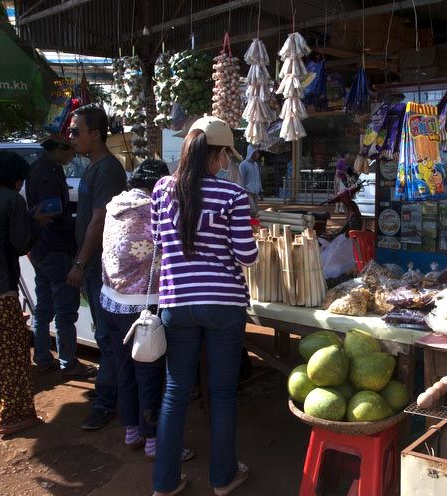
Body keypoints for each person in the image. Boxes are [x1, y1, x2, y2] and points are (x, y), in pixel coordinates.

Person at [151, 116, 257, 496]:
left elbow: (160, 245)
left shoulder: (162, 190)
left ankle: (164, 483)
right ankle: (222, 478)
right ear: (221, 155)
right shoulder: (231, 195)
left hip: (176, 301)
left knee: (175, 390)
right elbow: (246, 256)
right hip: (223, 303)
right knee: (223, 392)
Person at [100, 159, 171, 457]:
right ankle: (153, 440)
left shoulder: (114, 207)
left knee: (124, 369)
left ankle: (132, 431)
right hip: (141, 306)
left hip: (110, 301)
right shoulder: (152, 209)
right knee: (149, 373)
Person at [66, 104, 127, 431]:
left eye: (76, 131)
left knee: (107, 334)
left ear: (96, 134)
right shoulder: (92, 166)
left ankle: (108, 400)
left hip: (101, 266)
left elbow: (100, 219)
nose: (71, 137)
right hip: (93, 266)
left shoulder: (108, 170)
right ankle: (111, 392)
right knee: (105, 335)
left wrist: (80, 261)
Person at [25, 133, 94, 378]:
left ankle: (42, 357)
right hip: (55, 249)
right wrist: (76, 222)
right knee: (65, 310)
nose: (72, 155)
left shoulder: (44, 169)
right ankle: (68, 362)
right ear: (59, 149)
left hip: (42, 249)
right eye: (70, 150)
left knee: (43, 308)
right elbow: (52, 213)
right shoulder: (47, 174)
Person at [0, 151, 52, 435]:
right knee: (13, 357)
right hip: (2, 292)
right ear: (15, 178)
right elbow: (21, 244)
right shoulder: (11, 200)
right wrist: (36, 222)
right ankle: (15, 416)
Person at [238, 144, 263, 215]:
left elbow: (258, 178)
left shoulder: (255, 165)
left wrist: (261, 191)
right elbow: (241, 180)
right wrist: (242, 194)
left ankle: (253, 225)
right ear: (252, 153)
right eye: (256, 152)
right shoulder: (243, 165)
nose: (258, 154)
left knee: (256, 211)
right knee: (253, 210)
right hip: (247, 192)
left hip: (256, 193)